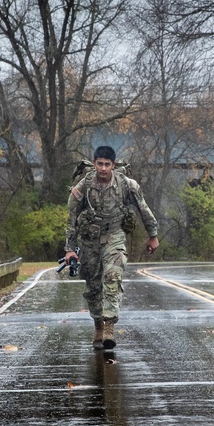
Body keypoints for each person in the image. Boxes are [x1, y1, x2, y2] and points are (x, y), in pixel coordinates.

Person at [63, 145, 159, 349]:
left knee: (112, 277)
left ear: (113, 165)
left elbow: (144, 209)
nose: (103, 168)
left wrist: (153, 235)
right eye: (100, 164)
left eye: (107, 164)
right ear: (94, 163)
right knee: (93, 287)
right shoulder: (84, 186)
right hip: (90, 242)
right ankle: (98, 325)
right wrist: (70, 248)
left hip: (115, 238)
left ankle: (109, 327)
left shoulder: (126, 184)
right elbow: (71, 217)